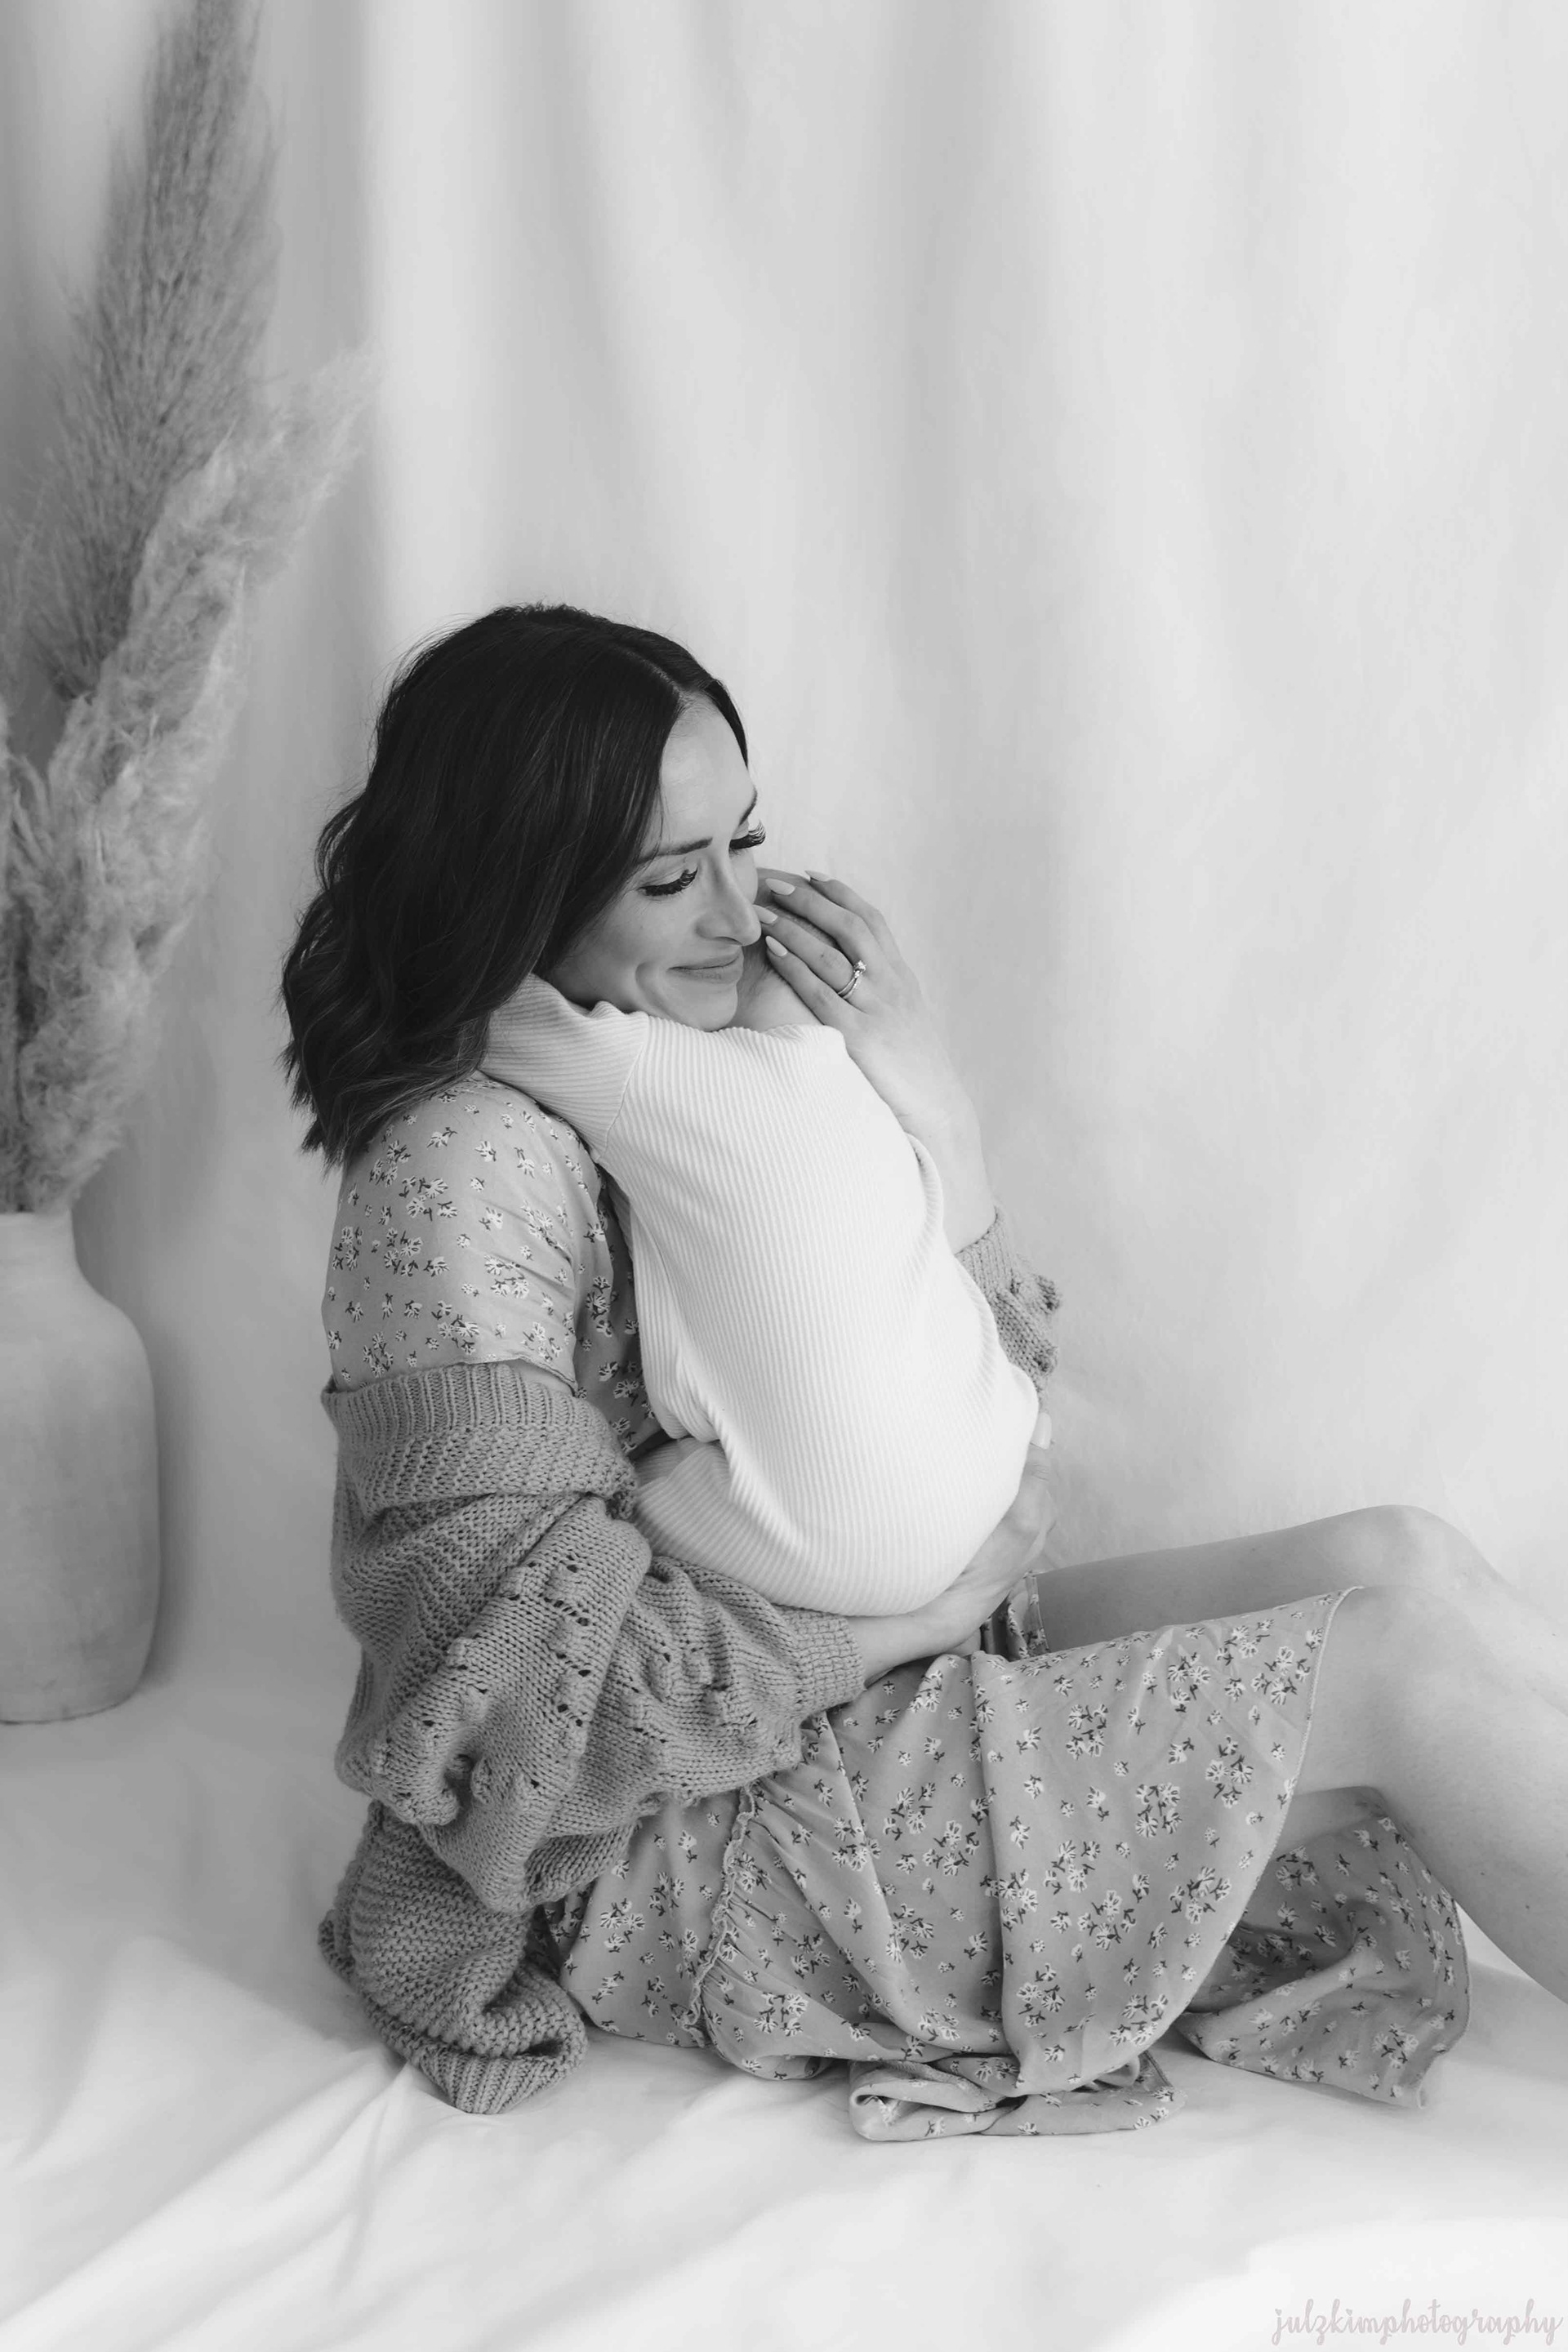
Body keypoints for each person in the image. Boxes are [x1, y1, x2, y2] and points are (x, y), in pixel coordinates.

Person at [281, 603, 1568, 2137]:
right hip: (694, 1830)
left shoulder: (720, 1070)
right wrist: (901, 1625)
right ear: (516, 888)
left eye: (748, 845)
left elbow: (974, 1381)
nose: (739, 914)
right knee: (1404, 1676)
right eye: (671, 878)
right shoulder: (463, 1168)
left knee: (1402, 1560)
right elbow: (509, 1711)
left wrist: (925, 1095)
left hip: (893, 1671)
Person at [475, 952, 1042, 1614]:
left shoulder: (653, 1065)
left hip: (856, 1547)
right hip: (996, 1460)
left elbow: (480, 1011)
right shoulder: (864, 1097)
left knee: (580, 1543)